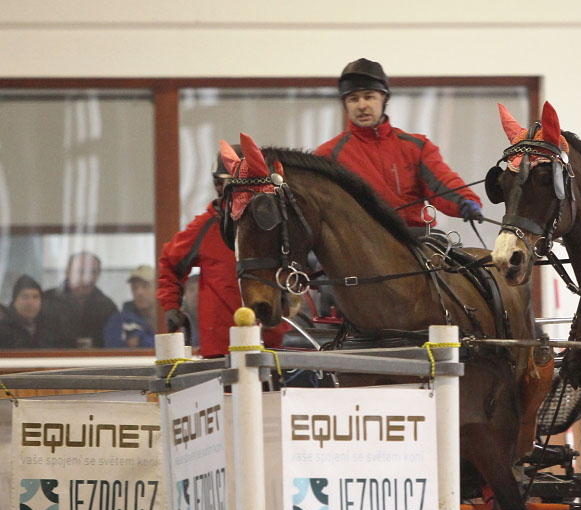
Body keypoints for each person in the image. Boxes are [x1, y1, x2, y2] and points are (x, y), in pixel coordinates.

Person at [315, 58, 484, 228]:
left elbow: (441, 183)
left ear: (384, 99)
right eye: (353, 99)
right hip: (360, 241)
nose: (361, 105)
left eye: (369, 97)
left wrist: (465, 201)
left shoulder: (416, 147)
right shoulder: (328, 155)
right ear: (345, 105)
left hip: (414, 238)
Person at [157, 146, 290, 358]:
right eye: (222, 183)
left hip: (272, 348)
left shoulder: (275, 226)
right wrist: (172, 306)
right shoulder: (206, 227)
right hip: (222, 351)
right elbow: (169, 263)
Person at [43, 251, 118, 348]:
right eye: (81, 271)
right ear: (68, 272)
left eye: (93, 272)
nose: (87, 278)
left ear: (98, 275)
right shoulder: (48, 299)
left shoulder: (107, 306)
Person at [0, 275, 73, 348]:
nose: (30, 302)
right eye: (25, 297)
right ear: (14, 301)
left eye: (35, 297)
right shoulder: (3, 330)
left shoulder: (51, 328)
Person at [103, 265, 157, 348]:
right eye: (135, 287)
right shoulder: (119, 320)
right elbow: (112, 351)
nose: (139, 292)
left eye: (145, 286)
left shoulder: (170, 319)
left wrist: (141, 340)